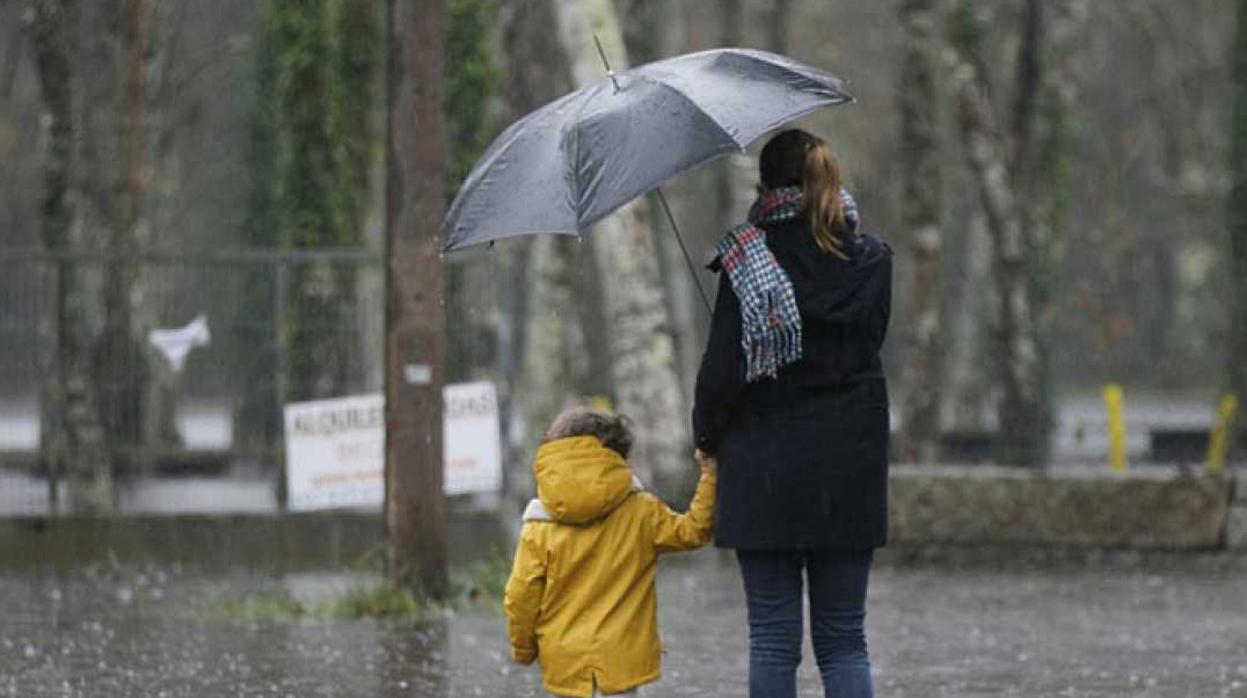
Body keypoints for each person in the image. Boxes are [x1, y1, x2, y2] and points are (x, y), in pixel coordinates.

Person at [692, 128, 892, 698]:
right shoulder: (872, 261)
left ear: (764, 185)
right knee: (845, 641)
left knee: (774, 640)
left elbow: (720, 374)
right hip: (850, 470)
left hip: (766, 471)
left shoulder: (746, 260)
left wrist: (705, 436)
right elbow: (867, 347)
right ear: (830, 180)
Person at [504, 407, 717, 698]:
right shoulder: (640, 510)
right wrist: (710, 475)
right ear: (615, 452)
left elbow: (521, 596)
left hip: (564, 658)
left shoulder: (539, 525)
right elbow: (693, 532)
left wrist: (524, 648)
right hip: (621, 657)